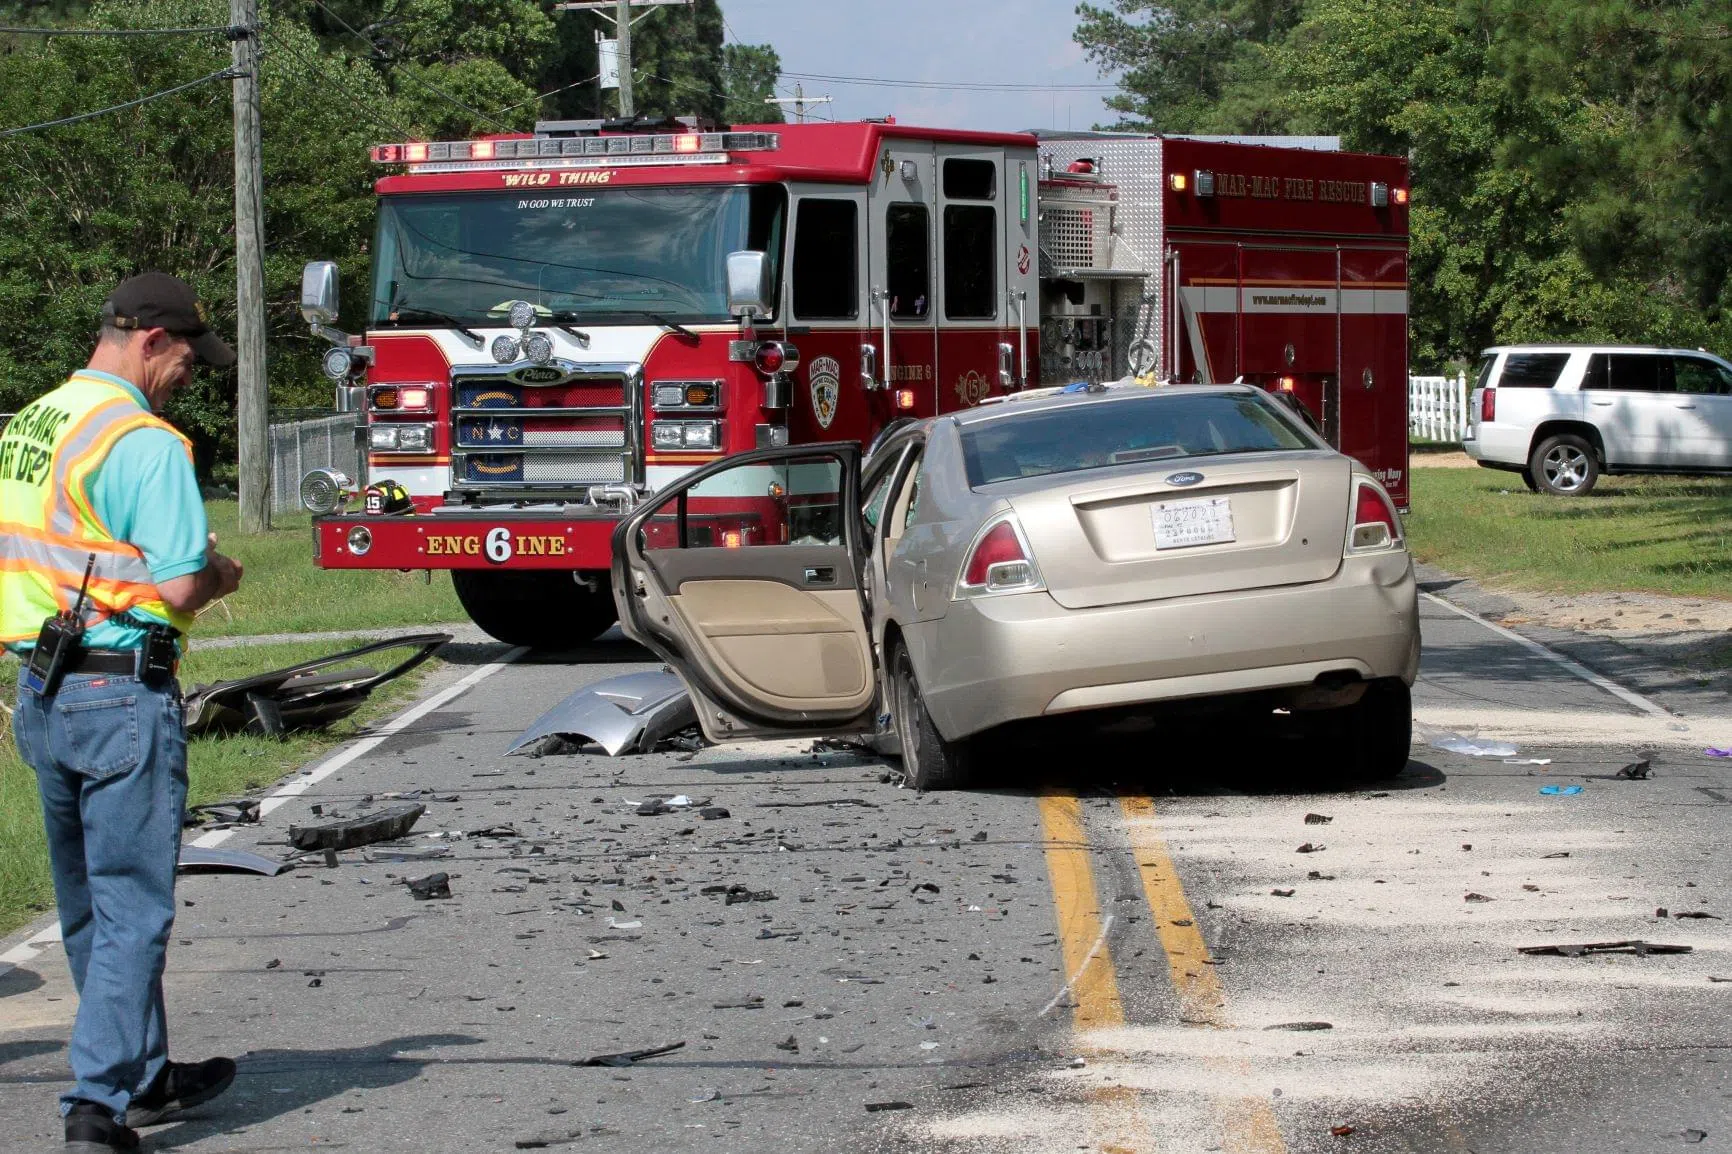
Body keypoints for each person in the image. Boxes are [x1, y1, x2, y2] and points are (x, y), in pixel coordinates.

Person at [1, 273, 245, 1152]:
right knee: (134, 907)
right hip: (118, 691)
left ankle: (142, 1072)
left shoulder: (34, 423)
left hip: (41, 688)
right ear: (150, 341)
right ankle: (96, 1107)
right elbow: (178, 585)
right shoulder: (145, 441)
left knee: (86, 906)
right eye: (188, 358)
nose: (189, 375)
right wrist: (221, 575)